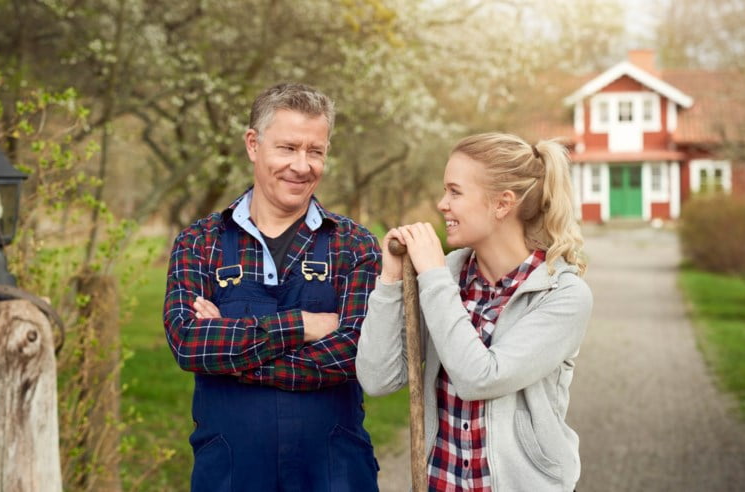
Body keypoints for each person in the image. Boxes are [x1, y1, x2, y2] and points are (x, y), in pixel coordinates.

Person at [163, 83, 381, 492]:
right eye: (288, 148)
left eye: (315, 151)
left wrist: (233, 358)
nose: (302, 166)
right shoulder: (200, 242)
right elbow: (189, 342)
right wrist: (303, 325)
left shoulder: (354, 245)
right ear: (253, 144)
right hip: (229, 474)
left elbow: (356, 353)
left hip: (335, 474)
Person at [356, 133, 593, 492]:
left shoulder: (561, 295)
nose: (441, 204)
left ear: (502, 204)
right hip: (441, 483)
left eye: (455, 192)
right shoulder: (447, 276)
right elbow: (378, 378)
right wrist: (390, 280)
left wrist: (433, 277)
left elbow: (480, 378)